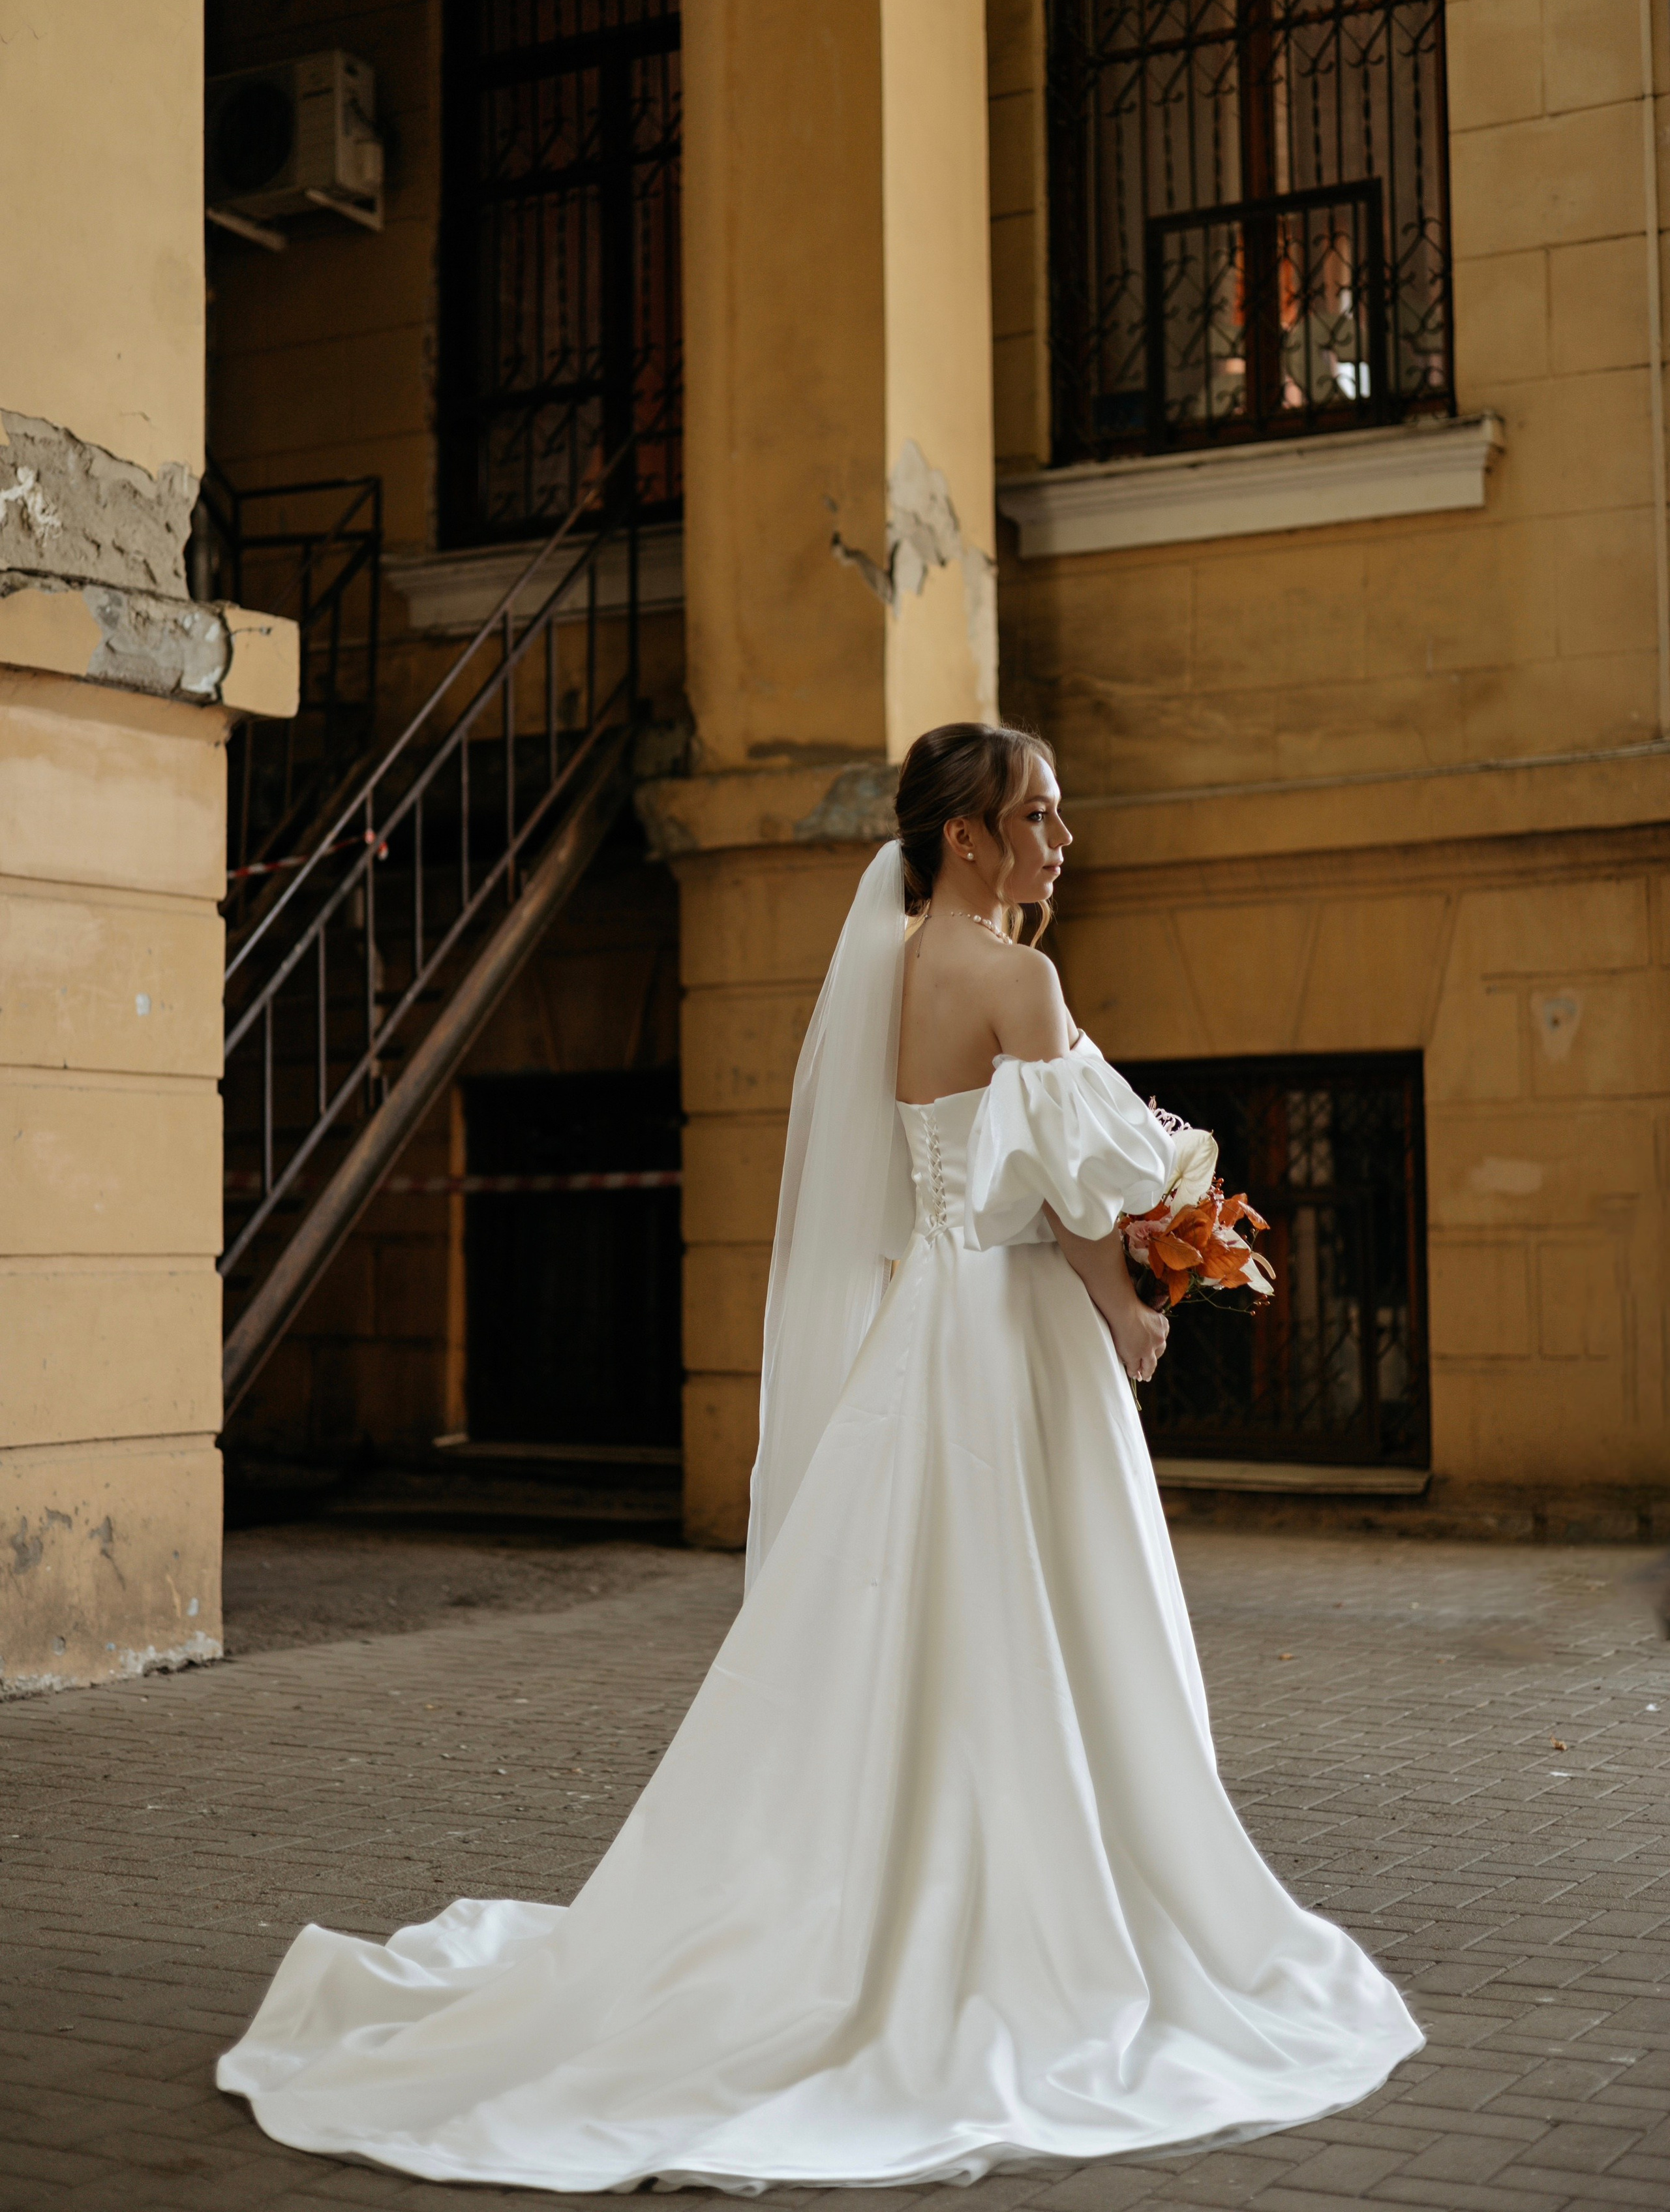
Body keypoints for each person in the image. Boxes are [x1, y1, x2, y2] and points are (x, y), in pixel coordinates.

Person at [219, 720, 1422, 2190]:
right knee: (1033, 1625)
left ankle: (882, 1896)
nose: (1061, 839)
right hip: (1004, 1343)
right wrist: (1137, 1313)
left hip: (921, 1336)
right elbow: (1070, 1190)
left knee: (907, 1634)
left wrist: (1127, 1259)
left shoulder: (896, 968)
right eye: (1036, 816)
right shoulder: (1017, 975)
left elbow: (973, 1169)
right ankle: (1022, 1919)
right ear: (967, 837)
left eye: (1058, 813)